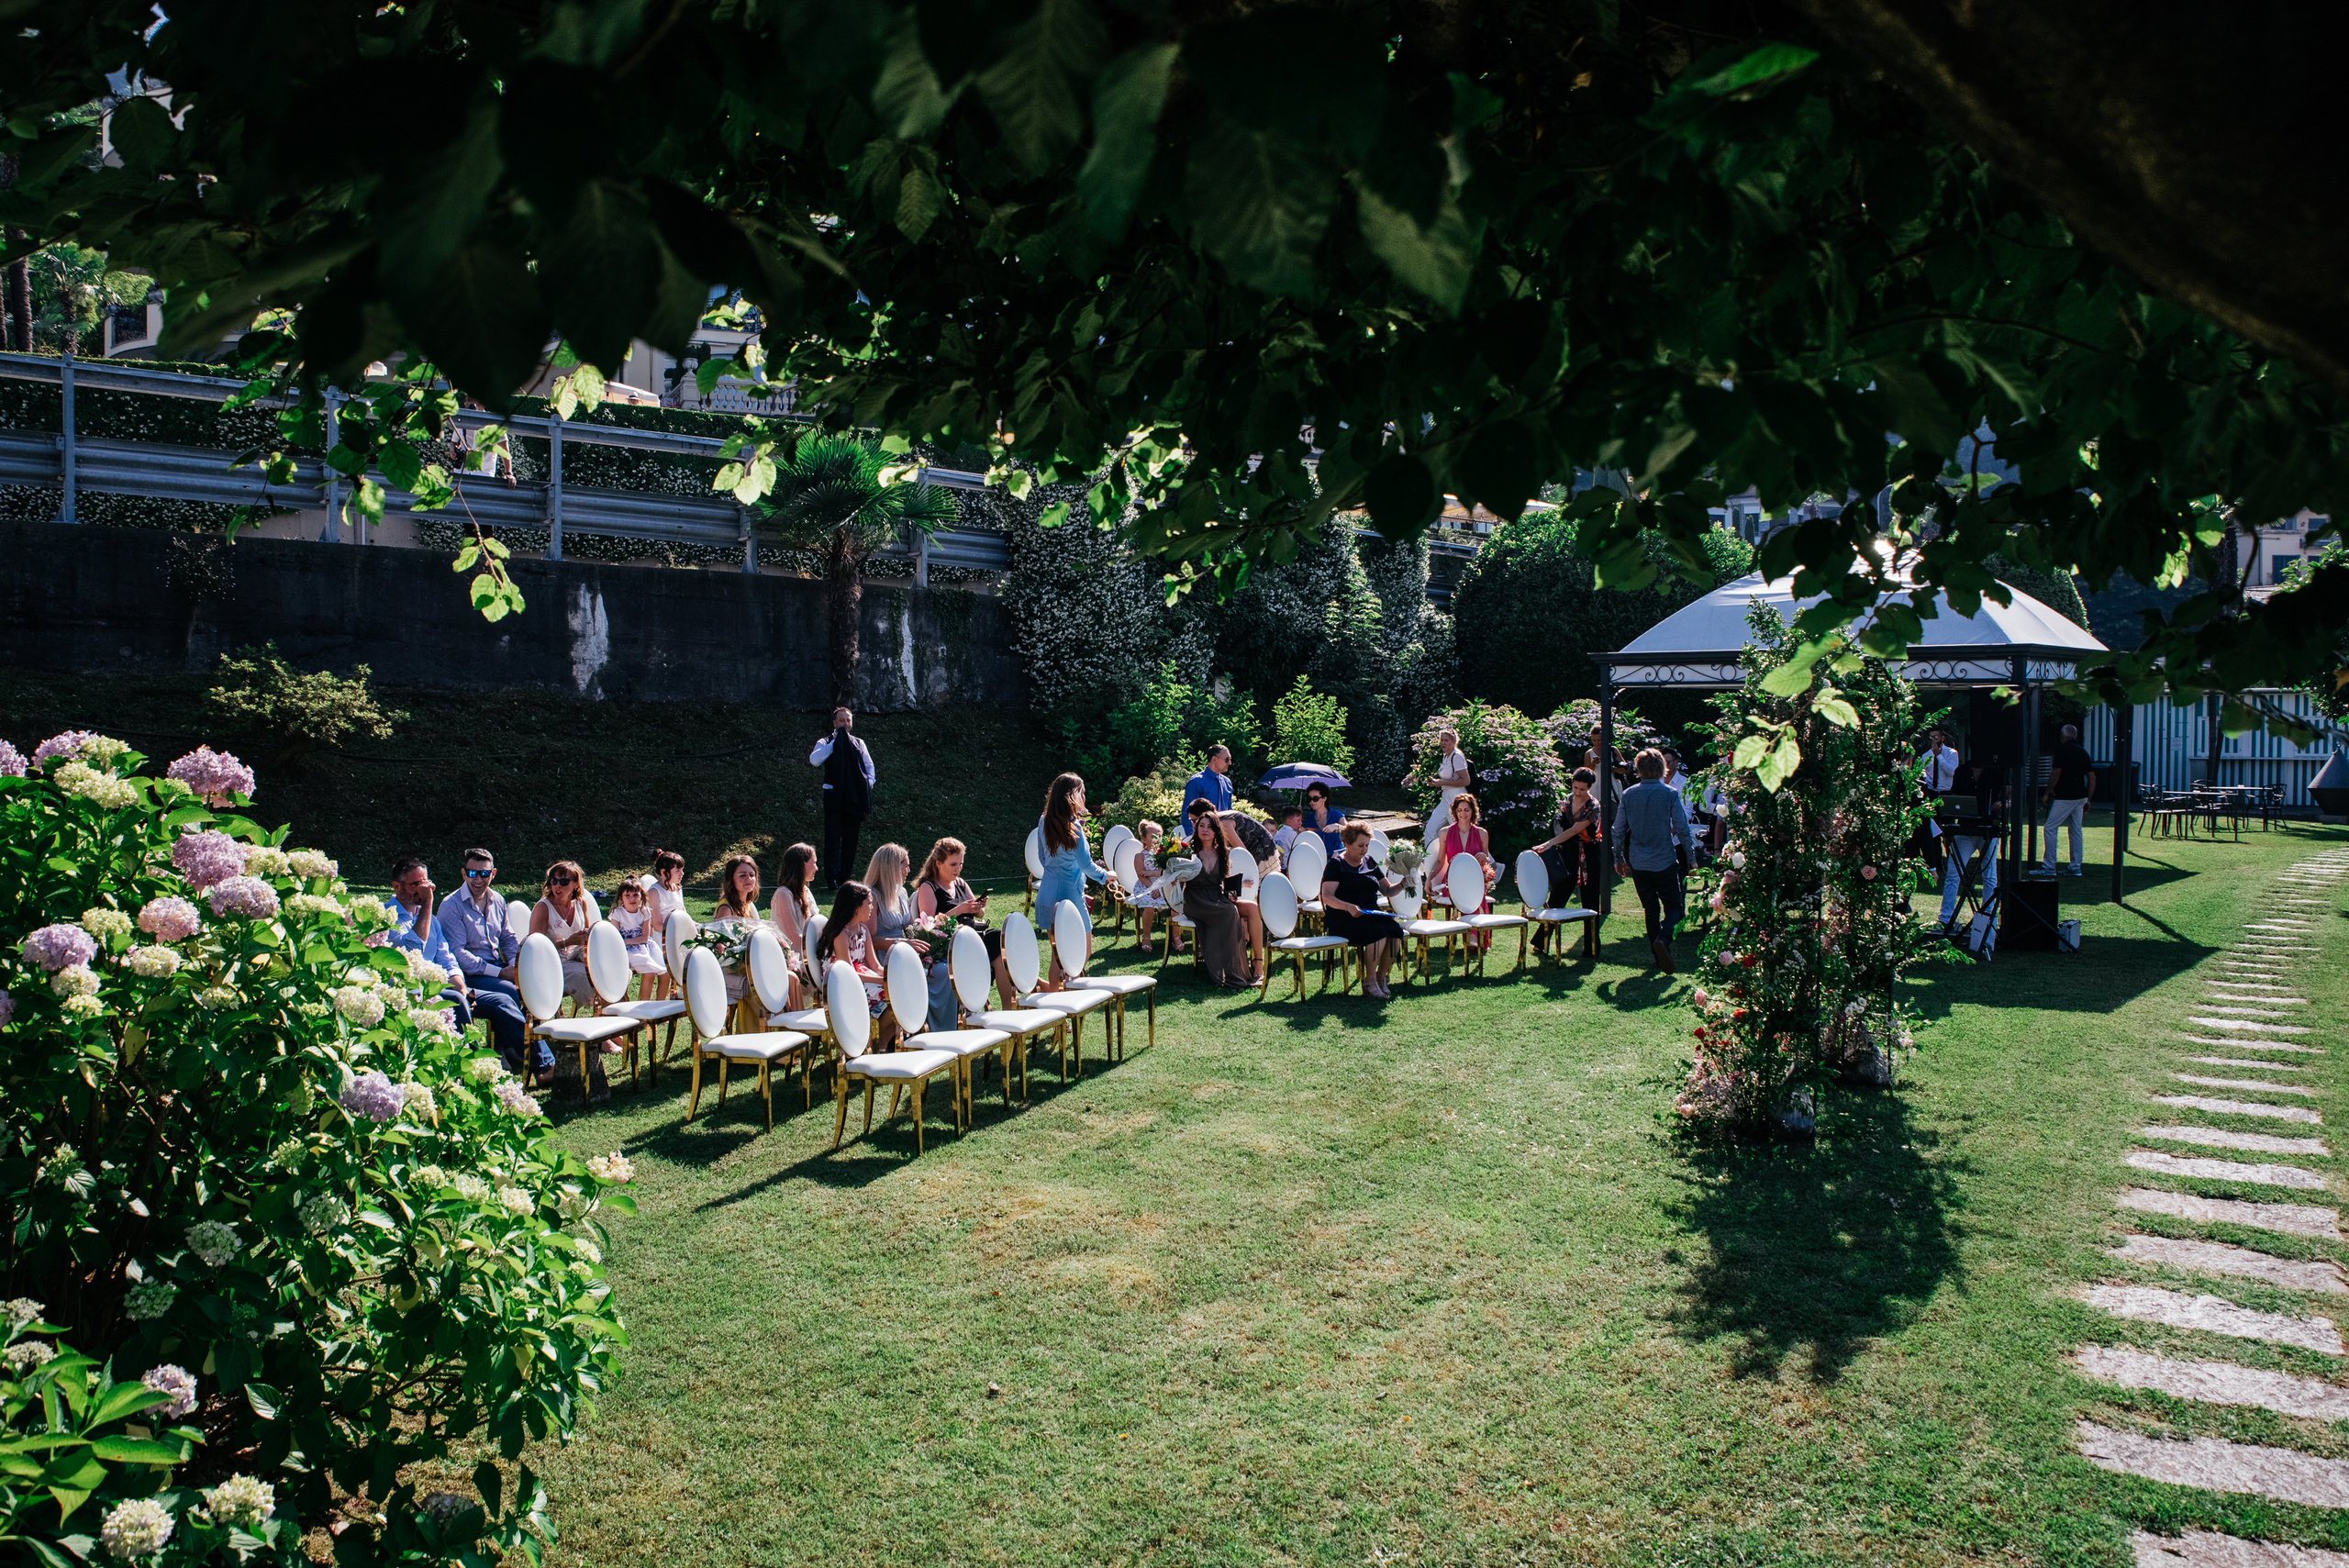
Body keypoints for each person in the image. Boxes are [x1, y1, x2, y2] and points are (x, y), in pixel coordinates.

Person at [388, 856, 529, 1067]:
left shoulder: (432, 919)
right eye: (416, 884)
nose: (424, 889)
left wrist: (461, 985)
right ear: (397, 886)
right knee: (458, 999)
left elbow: (447, 959)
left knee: (503, 1000)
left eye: (426, 883)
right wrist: (428, 903)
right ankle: (472, 1065)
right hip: (413, 992)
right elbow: (413, 948)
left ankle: (542, 1063)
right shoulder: (388, 918)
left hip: (445, 985)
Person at [436, 847, 554, 1084]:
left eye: (484, 873)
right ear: (463, 873)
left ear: (493, 873)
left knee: (527, 986)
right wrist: (501, 973)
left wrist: (515, 966)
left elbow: (508, 939)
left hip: (495, 967)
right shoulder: (451, 905)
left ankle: (509, 1049)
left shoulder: (497, 899)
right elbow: (458, 954)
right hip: (466, 975)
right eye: (472, 873)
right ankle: (543, 1064)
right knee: (512, 991)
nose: (478, 879)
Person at [529, 859, 610, 1101]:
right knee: (590, 979)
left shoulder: (581, 902)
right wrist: (568, 941)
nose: (558, 886)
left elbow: (586, 935)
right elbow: (535, 947)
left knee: (607, 972)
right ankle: (601, 1037)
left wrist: (587, 942)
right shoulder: (543, 908)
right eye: (554, 880)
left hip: (575, 956)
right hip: (550, 964)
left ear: (576, 884)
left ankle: (604, 1030)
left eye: (564, 881)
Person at [1612, 748, 1694, 973]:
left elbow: (1617, 830)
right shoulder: (1669, 793)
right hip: (1665, 859)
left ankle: (1657, 956)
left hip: (1638, 861)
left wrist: (1618, 857)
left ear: (1638, 769)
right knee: (1674, 907)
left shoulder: (1629, 794)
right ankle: (1664, 938)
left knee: (1650, 908)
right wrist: (1691, 858)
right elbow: (1682, 828)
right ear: (1662, 768)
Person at [915, 836, 1011, 1017]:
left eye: (960, 864)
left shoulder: (960, 883)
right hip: (950, 944)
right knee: (997, 942)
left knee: (999, 941)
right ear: (938, 863)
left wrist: (978, 907)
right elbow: (929, 924)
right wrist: (959, 910)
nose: (958, 869)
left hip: (971, 936)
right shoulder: (928, 887)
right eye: (953, 864)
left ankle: (1009, 1008)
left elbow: (980, 915)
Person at [1033, 773, 1110, 987]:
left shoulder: (1044, 820)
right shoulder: (1073, 826)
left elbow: (1042, 858)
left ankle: (1056, 995)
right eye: (1082, 793)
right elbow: (1086, 865)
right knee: (1082, 952)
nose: (1084, 797)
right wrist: (1107, 876)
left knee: (1057, 957)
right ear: (1072, 796)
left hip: (1047, 893)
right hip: (1070, 896)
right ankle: (1066, 993)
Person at [1321, 822, 1408, 999]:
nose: (1364, 850)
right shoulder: (1336, 864)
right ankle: (1369, 981)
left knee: (1395, 930)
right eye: (1360, 845)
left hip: (1370, 914)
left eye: (1367, 845)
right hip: (1344, 916)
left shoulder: (1370, 861)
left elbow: (1387, 890)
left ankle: (1381, 976)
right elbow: (1327, 897)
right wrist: (1348, 907)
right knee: (1377, 931)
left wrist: (1404, 884)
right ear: (1347, 843)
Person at [1170, 796, 1250, 987]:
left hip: (1215, 895)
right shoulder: (1188, 851)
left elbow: (1225, 879)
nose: (1205, 830)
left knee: (1231, 910)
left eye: (1210, 827)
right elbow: (1177, 876)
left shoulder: (1223, 852)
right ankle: (1220, 967)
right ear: (1197, 828)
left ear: (1216, 831)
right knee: (1227, 912)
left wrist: (1234, 891)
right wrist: (1174, 879)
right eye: (1201, 826)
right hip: (1195, 898)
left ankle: (1231, 967)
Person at [816, 880, 897, 1049]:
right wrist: (883, 982)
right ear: (855, 907)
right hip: (842, 984)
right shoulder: (841, 934)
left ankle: (880, 1046)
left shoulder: (863, 930)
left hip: (863, 978)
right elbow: (847, 973)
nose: (872, 908)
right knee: (892, 996)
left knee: (899, 992)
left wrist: (891, 976)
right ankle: (872, 1045)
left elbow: (875, 965)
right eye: (869, 903)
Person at [1530, 769, 1602, 949]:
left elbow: (1575, 830)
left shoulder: (1593, 806)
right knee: (1558, 894)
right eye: (1575, 787)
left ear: (1590, 788)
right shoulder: (1568, 799)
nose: (1577, 792)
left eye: (1582, 789)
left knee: (1590, 900)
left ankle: (1591, 947)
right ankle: (1541, 941)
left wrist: (1549, 843)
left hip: (1589, 854)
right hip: (1569, 851)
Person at [809, 706, 875, 889]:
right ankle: (832, 878)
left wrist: (867, 785)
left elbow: (870, 767)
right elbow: (815, 760)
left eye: (848, 720)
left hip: (854, 797)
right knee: (833, 837)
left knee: (851, 838)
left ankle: (845, 877)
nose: (845, 724)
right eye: (841, 720)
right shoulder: (825, 742)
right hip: (833, 795)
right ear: (834, 723)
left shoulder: (859, 743)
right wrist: (835, 743)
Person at [1939, 759, 2006, 933]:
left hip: (1987, 828)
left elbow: (2009, 796)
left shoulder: (1996, 770)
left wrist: (2004, 803)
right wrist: (1948, 829)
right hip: (1965, 828)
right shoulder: (1962, 771)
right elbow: (1953, 799)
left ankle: (1987, 916)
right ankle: (1945, 918)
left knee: (1989, 874)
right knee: (1953, 873)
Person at [1429, 794, 1501, 952]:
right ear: (1455, 812)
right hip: (1452, 881)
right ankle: (1473, 934)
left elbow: (1486, 860)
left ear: (1473, 811)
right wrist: (1429, 879)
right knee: (1468, 891)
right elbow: (1440, 861)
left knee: (1473, 889)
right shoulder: (1445, 832)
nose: (1463, 813)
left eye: (1466, 810)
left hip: (1474, 880)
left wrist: (1484, 857)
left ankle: (1473, 934)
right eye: (1460, 810)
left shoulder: (1482, 833)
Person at [2040, 723, 2097, 876]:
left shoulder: (2062, 750)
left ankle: (2049, 866)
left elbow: (2056, 774)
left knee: (2050, 828)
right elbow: (2092, 778)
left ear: (2062, 736)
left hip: (2066, 795)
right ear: (2075, 736)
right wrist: (2088, 799)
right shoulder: (2083, 752)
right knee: (2075, 830)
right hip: (2081, 796)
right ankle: (2075, 867)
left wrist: (2047, 793)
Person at [1122, 820, 1182, 957]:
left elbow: (1168, 872)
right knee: (1149, 906)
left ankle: (1176, 936)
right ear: (1144, 839)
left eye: (1160, 836)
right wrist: (1152, 887)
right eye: (1153, 836)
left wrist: (1157, 878)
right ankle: (1146, 936)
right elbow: (1141, 875)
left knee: (1175, 904)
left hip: (1164, 884)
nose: (1158, 839)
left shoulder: (1165, 854)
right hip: (1147, 886)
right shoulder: (1140, 856)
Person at [863, 843, 931, 963]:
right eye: (906, 866)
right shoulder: (872, 897)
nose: (908, 871)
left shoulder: (902, 892)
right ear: (893, 869)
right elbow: (869, 940)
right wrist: (902, 942)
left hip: (902, 954)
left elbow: (910, 928)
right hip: (881, 959)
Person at [607, 878, 667, 989]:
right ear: (621, 898)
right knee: (650, 971)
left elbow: (645, 937)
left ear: (642, 896)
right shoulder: (617, 913)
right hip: (625, 948)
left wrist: (626, 941)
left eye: (635, 895)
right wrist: (623, 944)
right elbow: (615, 938)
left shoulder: (644, 912)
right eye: (627, 896)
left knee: (664, 971)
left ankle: (653, 999)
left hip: (643, 945)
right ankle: (641, 999)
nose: (632, 899)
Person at [644, 849, 687, 1001]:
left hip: (677, 937)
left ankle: (669, 1003)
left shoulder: (678, 888)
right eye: (677, 871)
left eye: (682, 870)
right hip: (660, 939)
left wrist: (696, 926)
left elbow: (684, 914)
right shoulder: (654, 892)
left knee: (677, 972)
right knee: (663, 975)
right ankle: (649, 1004)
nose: (682, 874)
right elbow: (656, 924)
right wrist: (676, 930)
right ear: (664, 872)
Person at [1424, 728, 1473, 845]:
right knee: (1431, 829)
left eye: (1446, 740)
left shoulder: (1457, 756)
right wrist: (1436, 782)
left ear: (1454, 741)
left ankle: (1482, 857)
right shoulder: (1446, 756)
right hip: (1446, 797)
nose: (1443, 743)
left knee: (1462, 831)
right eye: (1441, 740)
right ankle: (1432, 855)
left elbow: (1466, 781)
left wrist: (1442, 783)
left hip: (1456, 797)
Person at [1182, 744, 1235, 823]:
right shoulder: (1196, 782)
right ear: (1214, 759)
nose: (1230, 763)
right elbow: (1187, 815)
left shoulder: (1227, 783)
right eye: (1227, 760)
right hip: (1203, 829)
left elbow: (1229, 813)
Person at [1302, 784, 1347, 853]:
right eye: (1309, 799)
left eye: (1315, 798)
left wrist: (1337, 826)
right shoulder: (1309, 818)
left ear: (1324, 798)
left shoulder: (1336, 814)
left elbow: (1351, 830)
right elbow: (1302, 835)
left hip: (1335, 856)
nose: (1312, 802)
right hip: (1317, 856)